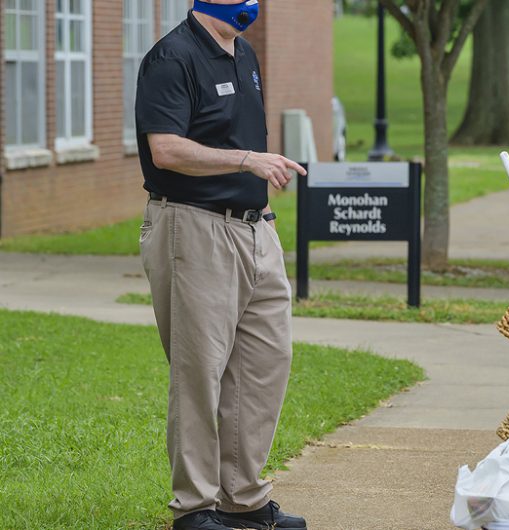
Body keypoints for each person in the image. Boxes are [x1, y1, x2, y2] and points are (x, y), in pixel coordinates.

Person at [136, 1, 308, 529]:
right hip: (194, 229)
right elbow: (166, 150)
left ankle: (243, 500)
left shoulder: (245, 54)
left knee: (264, 365)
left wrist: (263, 214)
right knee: (199, 374)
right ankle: (194, 508)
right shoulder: (172, 57)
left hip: (256, 230)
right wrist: (246, 160)